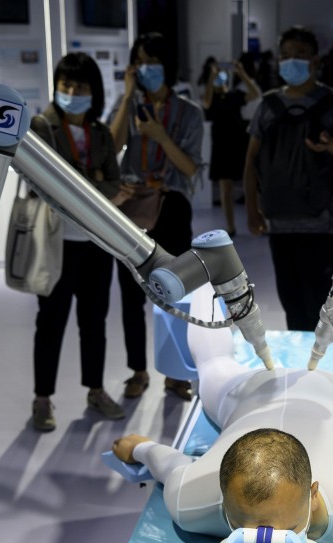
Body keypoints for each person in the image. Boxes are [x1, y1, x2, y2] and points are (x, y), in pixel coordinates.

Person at [111, 285, 333, 543]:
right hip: (282, 394)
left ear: (313, 493)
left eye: (282, 528)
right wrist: (141, 448)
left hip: (320, 396)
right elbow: (169, 465)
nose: (263, 542)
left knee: (214, 365)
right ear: (221, 494)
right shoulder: (189, 500)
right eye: (244, 526)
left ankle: (206, 276)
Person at [27, 52, 133, 431]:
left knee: (94, 322)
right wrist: (95, 183)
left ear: (94, 91)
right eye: (66, 85)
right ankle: (42, 399)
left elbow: (116, 184)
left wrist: (79, 183)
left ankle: (96, 389)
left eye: (81, 86)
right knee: (50, 322)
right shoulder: (41, 127)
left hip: (95, 242)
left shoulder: (101, 132)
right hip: (56, 243)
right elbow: (39, 183)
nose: (72, 92)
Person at [243, 25, 333, 331]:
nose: (291, 62)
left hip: (320, 222)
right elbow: (250, 161)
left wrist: (330, 145)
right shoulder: (268, 106)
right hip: (279, 220)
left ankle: (320, 370)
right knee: (291, 302)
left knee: (320, 305)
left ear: (315, 60)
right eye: (285, 55)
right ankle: (300, 372)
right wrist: (252, 210)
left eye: (299, 55)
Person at [108, 31, 205, 402]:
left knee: (175, 294)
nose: (148, 69)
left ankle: (176, 373)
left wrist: (161, 136)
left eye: (154, 62)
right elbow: (112, 147)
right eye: (141, 62)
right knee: (131, 295)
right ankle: (137, 370)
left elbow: (190, 168)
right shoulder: (126, 105)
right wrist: (128, 96)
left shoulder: (189, 113)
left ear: (168, 66)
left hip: (171, 206)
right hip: (130, 206)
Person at [201, 56, 260, 236]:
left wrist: (241, 73)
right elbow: (206, 103)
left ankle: (255, 219)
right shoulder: (211, 96)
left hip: (238, 141)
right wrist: (211, 78)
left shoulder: (235, 95)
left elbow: (255, 93)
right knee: (225, 187)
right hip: (221, 143)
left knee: (249, 182)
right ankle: (231, 226)